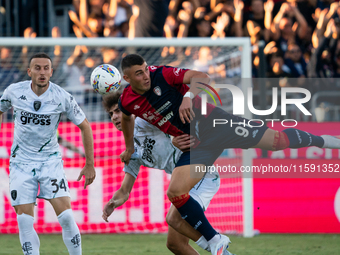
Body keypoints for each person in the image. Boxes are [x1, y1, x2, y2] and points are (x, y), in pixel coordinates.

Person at [118, 54, 340, 255]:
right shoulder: (126, 101)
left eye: (146, 69)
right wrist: (129, 147)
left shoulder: (162, 75)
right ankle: (215, 240)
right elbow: (127, 117)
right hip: (196, 145)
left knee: (277, 141)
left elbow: (201, 77)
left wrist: (188, 97)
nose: (146, 75)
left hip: (215, 124)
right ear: (128, 78)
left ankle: (326, 141)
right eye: (139, 73)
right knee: (175, 192)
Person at [101, 92, 234, 255]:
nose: (114, 117)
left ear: (130, 110)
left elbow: (175, 116)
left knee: (173, 218)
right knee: (175, 244)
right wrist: (113, 202)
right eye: (111, 114)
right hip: (183, 183)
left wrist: (174, 137)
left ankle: (216, 244)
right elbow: (124, 190)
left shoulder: (145, 120)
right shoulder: (131, 151)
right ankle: (219, 248)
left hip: (201, 174)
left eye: (117, 111)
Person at [0, 52, 96, 255]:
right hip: (20, 163)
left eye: (46, 68)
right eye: (37, 68)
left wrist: (90, 164)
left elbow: (85, 126)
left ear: (51, 72)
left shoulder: (61, 96)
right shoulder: (14, 92)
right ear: (29, 71)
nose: (42, 72)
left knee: (67, 217)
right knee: (24, 220)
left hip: (50, 162)